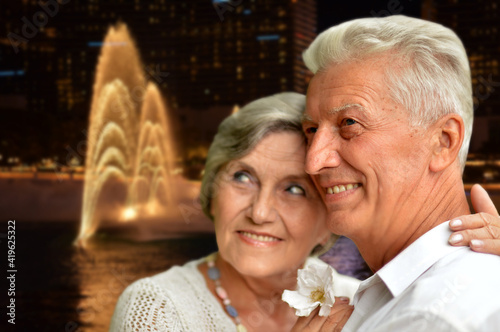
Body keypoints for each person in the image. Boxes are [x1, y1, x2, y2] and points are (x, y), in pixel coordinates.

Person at [297, 15, 500, 331]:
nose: (314, 160)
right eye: (311, 129)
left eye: (349, 123)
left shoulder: (429, 318)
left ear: (443, 142)